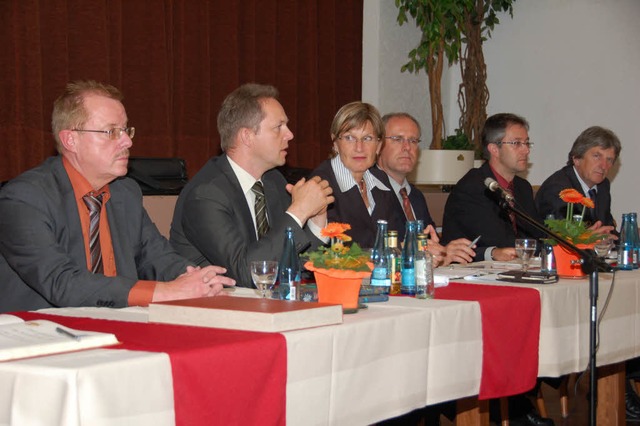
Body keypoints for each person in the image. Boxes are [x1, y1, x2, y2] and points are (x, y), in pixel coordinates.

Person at [0, 80, 235, 313]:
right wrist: (168, 292)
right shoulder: (24, 199)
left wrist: (196, 279)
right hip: (42, 335)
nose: (128, 141)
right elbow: (62, 282)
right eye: (111, 132)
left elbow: (157, 256)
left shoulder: (126, 193)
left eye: (126, 130)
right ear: (70, 139)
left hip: (119, 326)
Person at [170, 83, 333, 286]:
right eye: (278, 127)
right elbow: (247, 274)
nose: (289, 134)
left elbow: (293, 264)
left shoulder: (273, 181)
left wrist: (317, 221)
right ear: (247, 136)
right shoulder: (206, 195)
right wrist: (298, 211)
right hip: (212, 309)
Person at [374, 112, 476, 265]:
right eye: (397, 139)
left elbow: (429, 247)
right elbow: (372, 250)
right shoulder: (369, 191)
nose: (407, 147)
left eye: (413, 141)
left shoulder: (415, 196)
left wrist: (444, 251)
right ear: (378, 145)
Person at [441, 113, 544, 262]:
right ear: (494, 149)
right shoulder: (472, 187)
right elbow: (499, 241)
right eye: (517, 143)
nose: (526, 150)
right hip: (469, 274)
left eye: (527, 143)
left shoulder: (523, 188)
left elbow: (536, 235)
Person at [309, 101, 404, 248]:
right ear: (335, 143)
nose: (359, 148)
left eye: (367, 138)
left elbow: (396, 238)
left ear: (378, 146)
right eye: (349, 138)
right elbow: (322, 251)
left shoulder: (381, 180)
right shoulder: (321, 184)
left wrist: (416, 247)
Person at [535, 126, 620, 232]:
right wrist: (593, 238)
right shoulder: (558, 189)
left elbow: (609, 230)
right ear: (577, 158)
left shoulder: (603, 186)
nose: (603, 165)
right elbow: (564, 236)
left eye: (609, 159)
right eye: (597, 156)